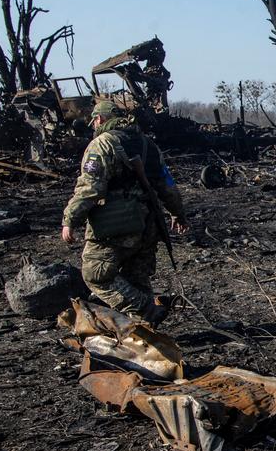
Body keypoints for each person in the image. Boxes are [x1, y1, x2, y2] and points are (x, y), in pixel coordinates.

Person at [61, 100, 189, 325]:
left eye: (94, 120)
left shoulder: (102, 144)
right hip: (148, 224)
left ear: (100, 119)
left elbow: (90, 188)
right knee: (137, 278)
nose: (93, 124)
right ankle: (144, 333)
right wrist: (177, 213)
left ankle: (146, 310)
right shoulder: (147, 144)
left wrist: (70, 219)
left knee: (95, 275)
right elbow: (166, 184)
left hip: (115, 225)